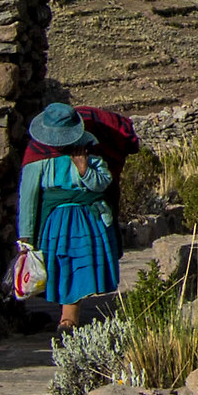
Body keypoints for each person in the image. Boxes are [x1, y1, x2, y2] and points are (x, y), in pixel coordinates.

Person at [16, 102, 120, 330]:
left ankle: (68, 318)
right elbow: (29, 198)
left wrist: (84, 170)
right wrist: (25, 235)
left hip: (85, 220)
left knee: (76, 264)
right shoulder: (37, 157)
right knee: (62, 264)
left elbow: (103, 184)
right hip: (57, 222)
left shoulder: (87, 151)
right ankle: (68, 318)